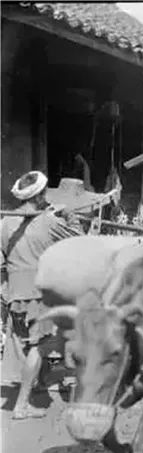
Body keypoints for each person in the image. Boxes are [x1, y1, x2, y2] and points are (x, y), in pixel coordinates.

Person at [1, 171, 82, 419]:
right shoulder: (48, 222)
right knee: (40, 346)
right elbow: (78, 239)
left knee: (28, 343)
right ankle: (21, 406)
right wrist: (69, 215)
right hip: (39, 293)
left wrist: (5, 290)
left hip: (15, 293)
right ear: (39, 196)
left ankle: (38, 382)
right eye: (44, 194)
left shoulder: (5, 223)